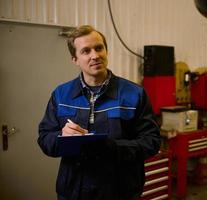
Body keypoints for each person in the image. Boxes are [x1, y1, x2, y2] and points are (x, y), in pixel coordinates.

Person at [38, 25, 161, 200]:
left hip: (120, 191)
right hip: (74, 191)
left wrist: (111, 148)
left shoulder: (134, 94)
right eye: (86, 51)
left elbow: (152, 142)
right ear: (75, 59)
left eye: (99, 48)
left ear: (106, 51)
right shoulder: (61, 95)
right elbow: (44, 139)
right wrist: (61, 137)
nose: (95, 55)